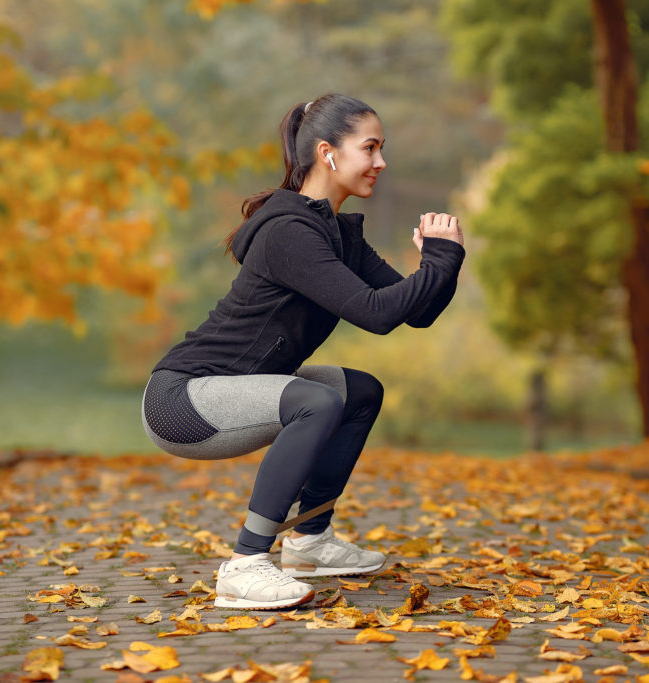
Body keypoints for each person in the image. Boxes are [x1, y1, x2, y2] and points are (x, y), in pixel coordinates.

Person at [142, 93, 465, 610]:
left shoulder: (338, 234)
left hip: (231, 389)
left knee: (359, 392)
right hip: (182, 399)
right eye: (371, 148)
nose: (381, 162)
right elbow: (377, 314)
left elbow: (415, 312)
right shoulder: (289, 232)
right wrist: (438, 264)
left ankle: (310, 542)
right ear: (328, 153)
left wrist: (442, 263)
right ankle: (245, 565)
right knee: (316, 401)